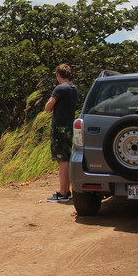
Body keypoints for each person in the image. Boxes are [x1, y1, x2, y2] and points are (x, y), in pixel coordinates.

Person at [44, 63, 78, 203]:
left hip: (59, 127)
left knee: (61, 160)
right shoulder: (74, 88)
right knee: (67, 158)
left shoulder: (59, 88)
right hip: (69, 126)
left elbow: (48, 107)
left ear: (59, 74)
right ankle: (67, 190)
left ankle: (63, 192)